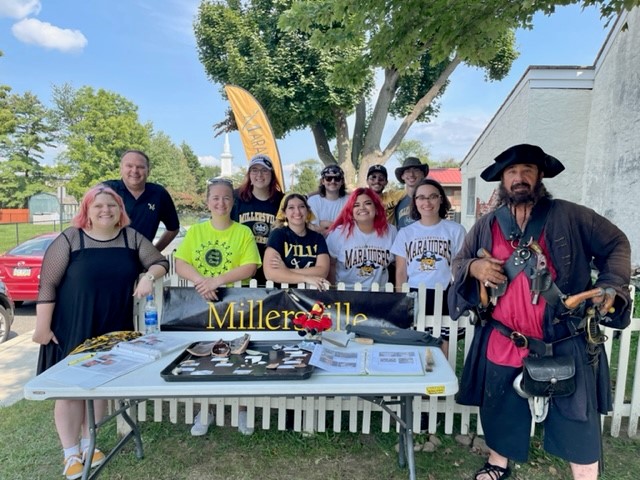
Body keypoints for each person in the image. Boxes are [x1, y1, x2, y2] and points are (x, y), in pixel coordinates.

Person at [448, 144, 632, 480]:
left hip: (564, 336)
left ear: (540, 175)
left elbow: (617, 243)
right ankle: (497, 464)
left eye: (527, 170)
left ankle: (585, 475)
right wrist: (474, 267)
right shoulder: (487, 225)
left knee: (577, 415)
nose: (519, 178)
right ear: (502, 180)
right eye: (511, 172)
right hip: (505, 336)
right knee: (500, 406)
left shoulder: (572, 215)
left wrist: (611, 285)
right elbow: (459, 262)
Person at [32, 185, 169, 480]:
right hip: (73, 323)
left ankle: (88, 444)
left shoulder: (131, 238)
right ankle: (70, 453)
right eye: (98, 206)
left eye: (112, 205)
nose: (106, 210)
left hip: (113, 327)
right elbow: (47, 283)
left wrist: (147, 276)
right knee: (69, 391)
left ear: (120, 210)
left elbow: (160, 261)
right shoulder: (71, 238)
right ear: (87, 211)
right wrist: (42, 327)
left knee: (98, 386)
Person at [174, 177, 261, 436]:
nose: (220, 202)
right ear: (207, 201)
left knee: (240, 354)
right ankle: (206, 409)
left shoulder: (243, 232)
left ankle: (243, 408)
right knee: (204, 356)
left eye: (226, 197)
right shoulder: (196, 232)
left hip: (236, 301)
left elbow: (250, 266)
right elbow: (180, 263)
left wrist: (217, 280)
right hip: (203, 302)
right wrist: (203, 282)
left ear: (232, 202)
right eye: (215, 197)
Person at [391, 178, 466, 353]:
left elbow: (460, 265)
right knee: (415, 341)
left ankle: (441, 378)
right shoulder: (406, 233)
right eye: (421, 197)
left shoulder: (455, 230)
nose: (427, 202)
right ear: (415, 202)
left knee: (443, 341)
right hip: (415, 293)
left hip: (445, 292)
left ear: (441, 199)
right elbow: (401, 271)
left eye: (432, 196)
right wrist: (401, 300)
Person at [103, 149, 180, 252]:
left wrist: (152, 253)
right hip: (106, 258)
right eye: (129, 166)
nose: (134, 170)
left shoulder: (159, 194)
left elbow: (173, 228)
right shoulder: (106, 190)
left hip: (140, 264)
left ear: (148, 171)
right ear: (121, 169)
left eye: (140, 167)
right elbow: (86, 223)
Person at [326, 187, 397, 289]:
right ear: (351, 211)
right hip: (346, 294)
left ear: (376, 208)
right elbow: (331, 264)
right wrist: (333, 293)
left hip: (379, 296)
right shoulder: (339, 233)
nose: (362, 208)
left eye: (367, 203)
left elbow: (399, 265)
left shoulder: (391, 232)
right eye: (356, 205)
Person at [231, 154, 284, 286]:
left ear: (271, 175)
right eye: (255, 170)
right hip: (241, 266)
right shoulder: (236, 198)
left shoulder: (282, 201)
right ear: (249, 174)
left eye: (264, 170)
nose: (259, 175)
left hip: (272, 267)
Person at [263, 193, 330, 290]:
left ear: (307, 211)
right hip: (282, 296)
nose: (297, 211)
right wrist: (306, 278)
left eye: (301, 207)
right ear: (284, 213)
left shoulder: (317, 238)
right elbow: (270, 273)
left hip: (311, 298)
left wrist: (286, 270)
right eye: (291, 207)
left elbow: (323, 271)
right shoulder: (278, 235)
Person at [307, 164, 348, 236]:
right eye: (328, 178)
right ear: (323, 181)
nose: (332, 181)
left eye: (337, 178)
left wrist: (324, 223)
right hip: (320, 244)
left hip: (344, 245)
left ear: (342, 182)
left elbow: (351, 227)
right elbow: (313, 228)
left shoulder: (349, 200)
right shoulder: (313, 201)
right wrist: (339, 226)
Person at [394, 157, 429, 229]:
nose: (411, 174)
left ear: (422, 174)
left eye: (416, 170)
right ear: (402, 176)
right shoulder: (397, 202)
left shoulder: (429, 201)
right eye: (407, 171)